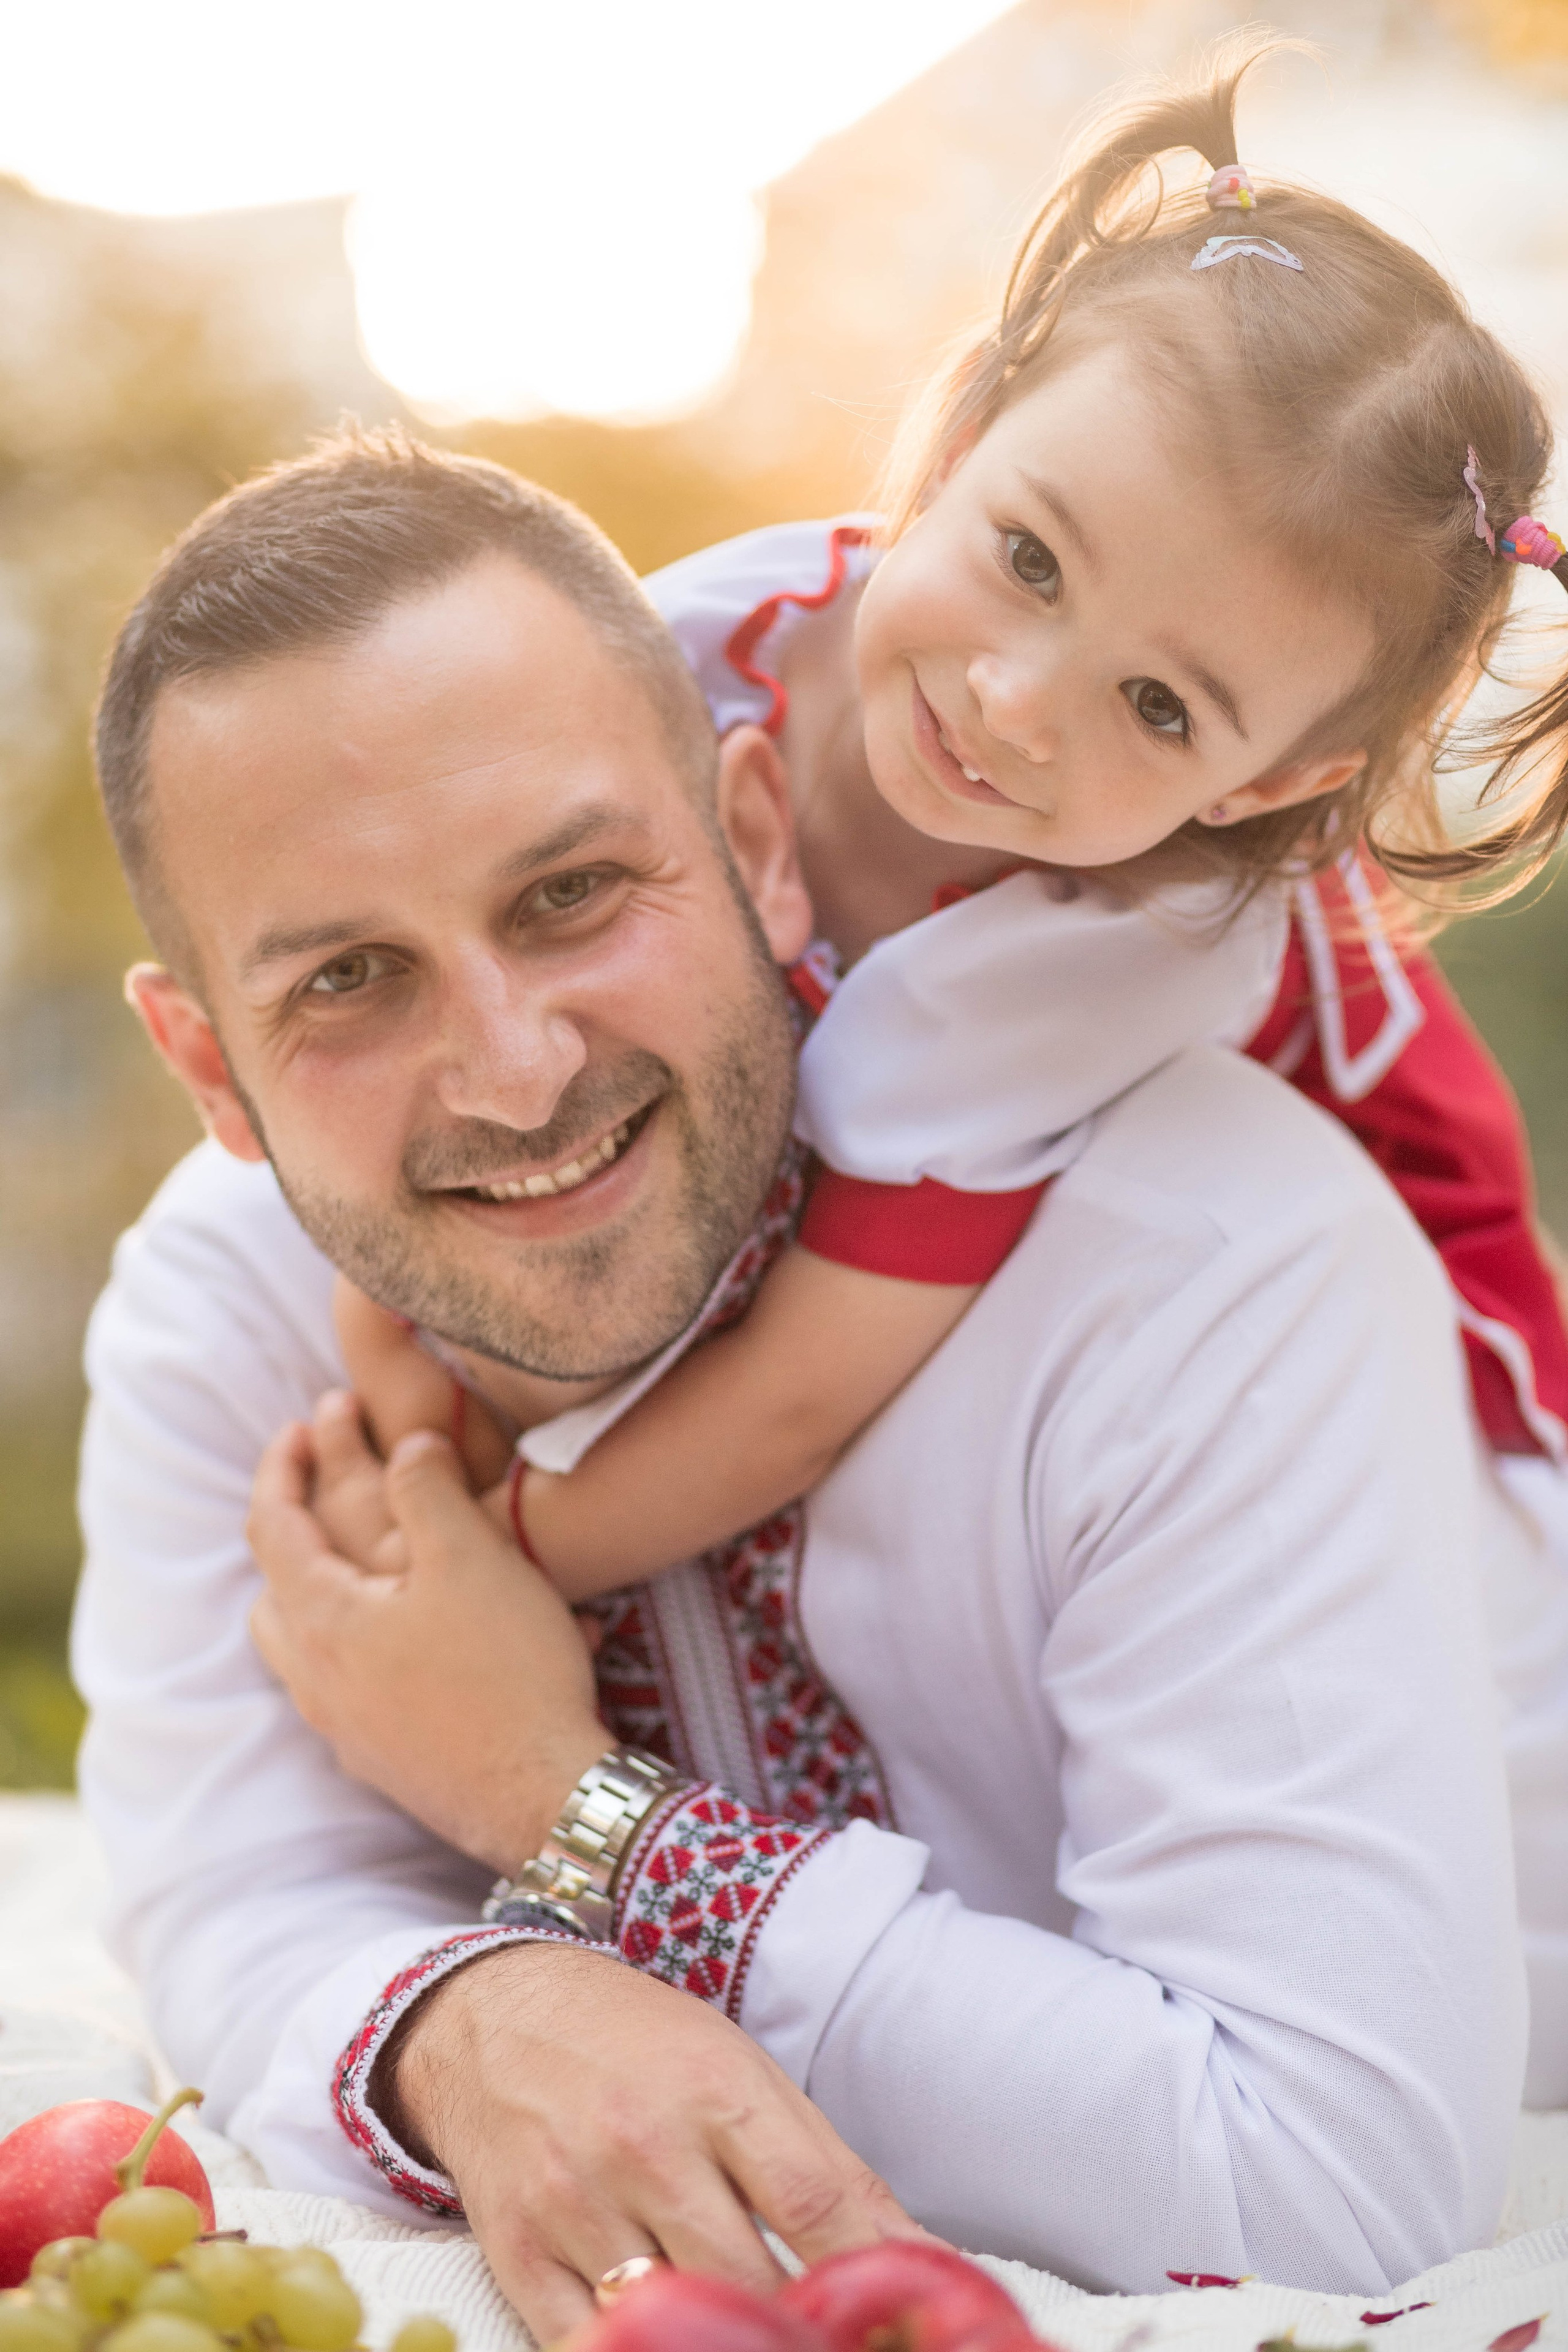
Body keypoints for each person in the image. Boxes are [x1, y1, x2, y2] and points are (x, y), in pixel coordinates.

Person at [71, 58, 1567, 2342]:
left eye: (579, 894)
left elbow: (1336, 2168)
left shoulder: (1183, 1186)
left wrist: (567, 1803)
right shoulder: (230, 1297)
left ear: (750, 833)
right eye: (348, 978)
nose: (514, 1063)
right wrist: (465, 2023)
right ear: (213, 1070)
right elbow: (234, 1900)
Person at [328, 51, 1568, 1600]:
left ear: (1261, 788)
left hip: (1443, 1454)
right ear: (968, 427)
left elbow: (795, 1400)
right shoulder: (703, 635)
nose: (1010, 700)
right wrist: (393, 1367)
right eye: (1032, 562)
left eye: (1160, 710)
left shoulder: (1095, 955)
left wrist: (503, 1565)